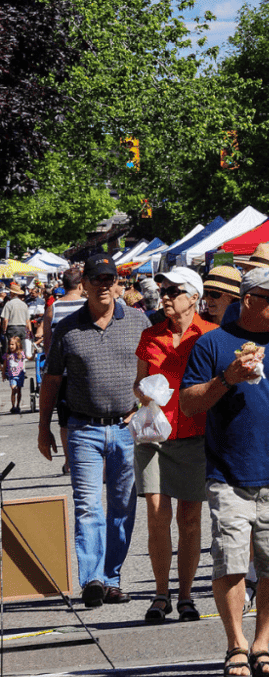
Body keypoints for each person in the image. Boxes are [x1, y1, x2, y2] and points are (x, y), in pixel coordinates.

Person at [180, 266, 269, 677]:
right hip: (229, 474)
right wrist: (227, 378)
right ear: (250, 299)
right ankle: (236, 644)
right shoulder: (213, 344)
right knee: (231, 561)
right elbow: (188, 403)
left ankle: (263, 646)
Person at [37, 253, 149, 607]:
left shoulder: (138, 321)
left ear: (117, 283)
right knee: (88, 506)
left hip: (126, 427)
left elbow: (155, 372)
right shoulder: (66, 330)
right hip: (83, 427)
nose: (103, 285)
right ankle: (92, 580)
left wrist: (145, 409)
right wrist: (44, 429)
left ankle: (112, 577)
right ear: (83, 284)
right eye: (96, 279)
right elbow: (52, 382)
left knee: (122, 507)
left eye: (109, 279)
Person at [133, 266, 217, 624]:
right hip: (155, 436)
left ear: (194, 297)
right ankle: (160, 594)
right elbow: (138, 384)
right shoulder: (150, 335)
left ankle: (185, 595)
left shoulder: (211, 335)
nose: (164, 296)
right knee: (156, 514)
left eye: (173, 291)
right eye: (163, 290)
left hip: (196, 434)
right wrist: (145, 394)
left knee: (190, 519)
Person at [43, 265, 86, 474]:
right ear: (81, 284)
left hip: (62, 373)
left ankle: (70, 462)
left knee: (65, 419)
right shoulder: (89, 305)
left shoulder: (54, 308)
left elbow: (48, 346)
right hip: (86, 371)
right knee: (90, 415)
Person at [4, 335, 26, 413]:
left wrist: (33, 355)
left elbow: (27, 358)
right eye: (10, 344)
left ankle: (18, 405)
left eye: (12, 344)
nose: (10, 346)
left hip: (20, 376)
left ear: (17, 345)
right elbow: (4, 366)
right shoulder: (8, 355)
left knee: (19, 390)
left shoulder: (21, 354)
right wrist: (3, 374)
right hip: (12, 376)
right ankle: (13, 406)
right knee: (13, 390)